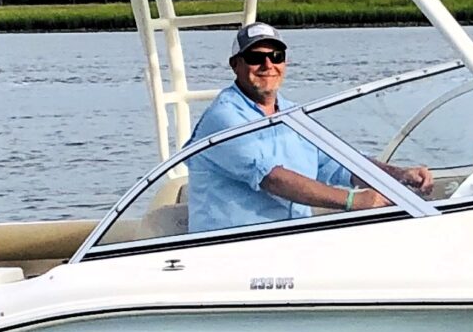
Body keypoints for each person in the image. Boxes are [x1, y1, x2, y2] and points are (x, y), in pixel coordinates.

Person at [184, 24, 433, 232]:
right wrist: (353, 201)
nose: (268, 65)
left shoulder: (292, 113)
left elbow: (337, 165)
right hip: (229, 248)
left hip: (292, 240)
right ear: (235, 65)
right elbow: (273, 179)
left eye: (276, 56)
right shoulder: (223, 117)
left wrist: (398, 175)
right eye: (255, 58)